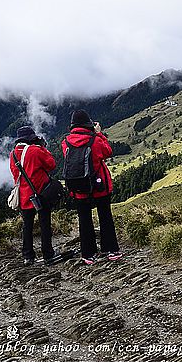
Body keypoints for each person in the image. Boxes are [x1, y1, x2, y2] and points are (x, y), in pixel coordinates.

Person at [62, 109, 122, 265]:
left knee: (84, 219)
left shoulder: (65, 142)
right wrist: (99, 134)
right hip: (99, 185)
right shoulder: (94, 140)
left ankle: (88, 254)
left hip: (78, 187)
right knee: (105, 216)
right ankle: (110, 250)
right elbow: (107, 152)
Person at [9, 126, 58, 265]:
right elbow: (51, 165)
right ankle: (48, 253)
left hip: (24, 196)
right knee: (44, 224)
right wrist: (42, 147)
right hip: (40, 193)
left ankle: (28, 256)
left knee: (27, 226)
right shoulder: (35, 150)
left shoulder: (12, 154)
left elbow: (15, 174)